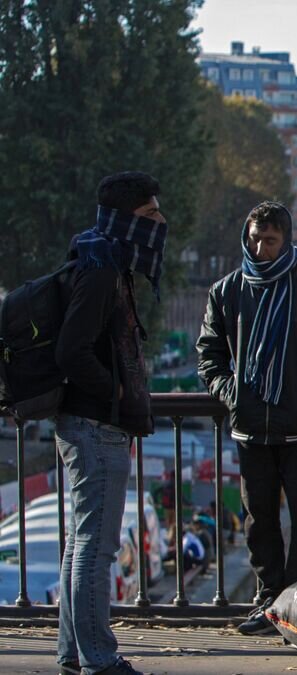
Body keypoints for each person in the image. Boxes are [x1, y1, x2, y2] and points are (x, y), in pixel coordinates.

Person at [196, 201, 297, 636]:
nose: (260, 248)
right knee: (259, 520)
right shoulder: (227, 290)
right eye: (255, 239)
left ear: (287, 241)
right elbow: (209, 354)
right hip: (251, 429)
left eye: (270, 240)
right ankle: (268, 604)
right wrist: (231, 394)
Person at [55, 171, 166, 675]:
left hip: (90, 423)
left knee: (82, 545)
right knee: (96, 549)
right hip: (95, 425)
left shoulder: (102, 258)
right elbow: (72, 350)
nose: (160, 223)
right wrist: (117, 391)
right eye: (150, 214)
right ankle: (99, 658)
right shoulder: (100, 268)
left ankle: (74, 656)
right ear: (126, 219)